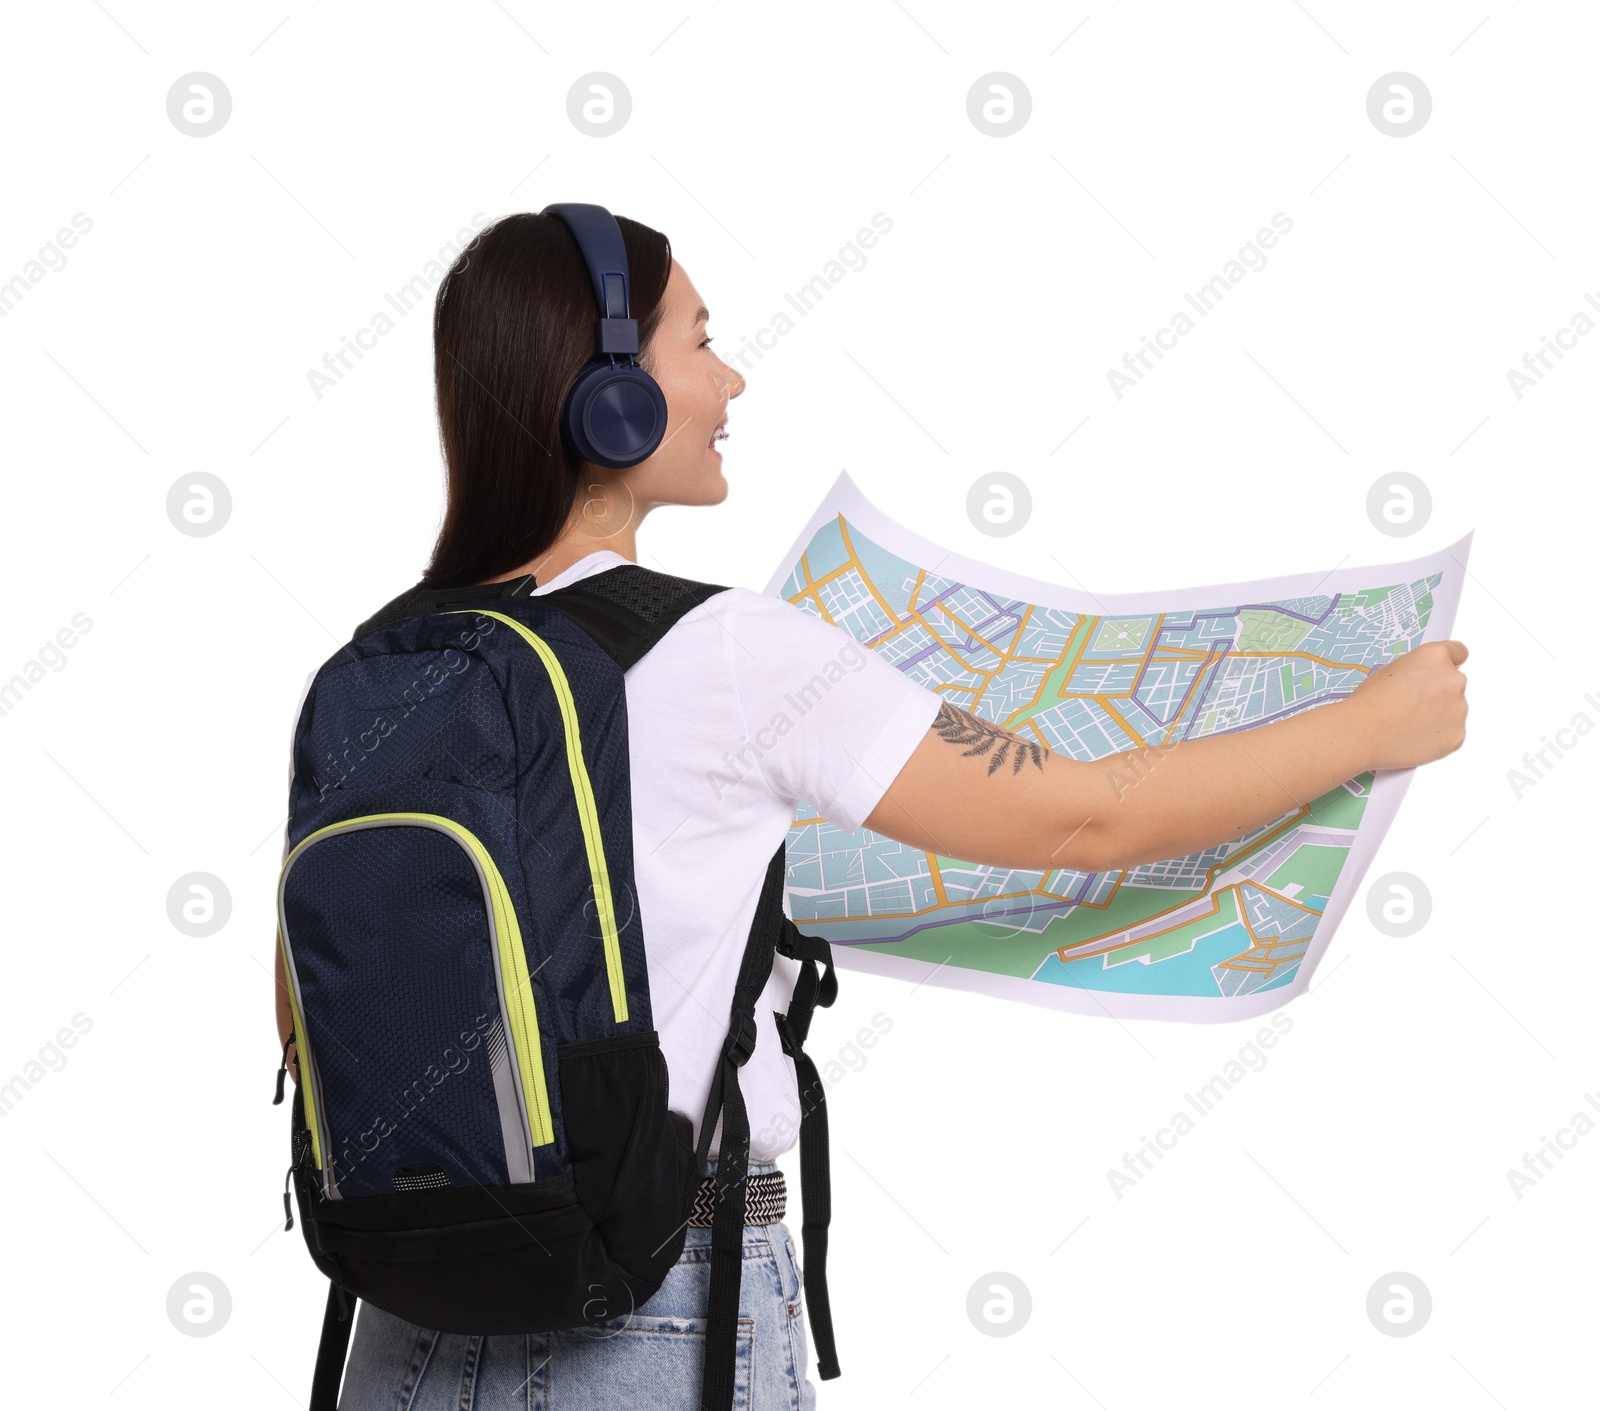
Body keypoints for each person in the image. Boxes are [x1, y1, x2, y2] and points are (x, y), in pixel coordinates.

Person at [274, 210, 1469, 1410]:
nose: (731, 378)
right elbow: (1086, 820)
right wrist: (1371, 726)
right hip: (650, 1311)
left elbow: (310, 1015)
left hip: (404, 1327)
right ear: (612, 396)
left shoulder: (379, 668)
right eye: (700, 341)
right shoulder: (734, 649)